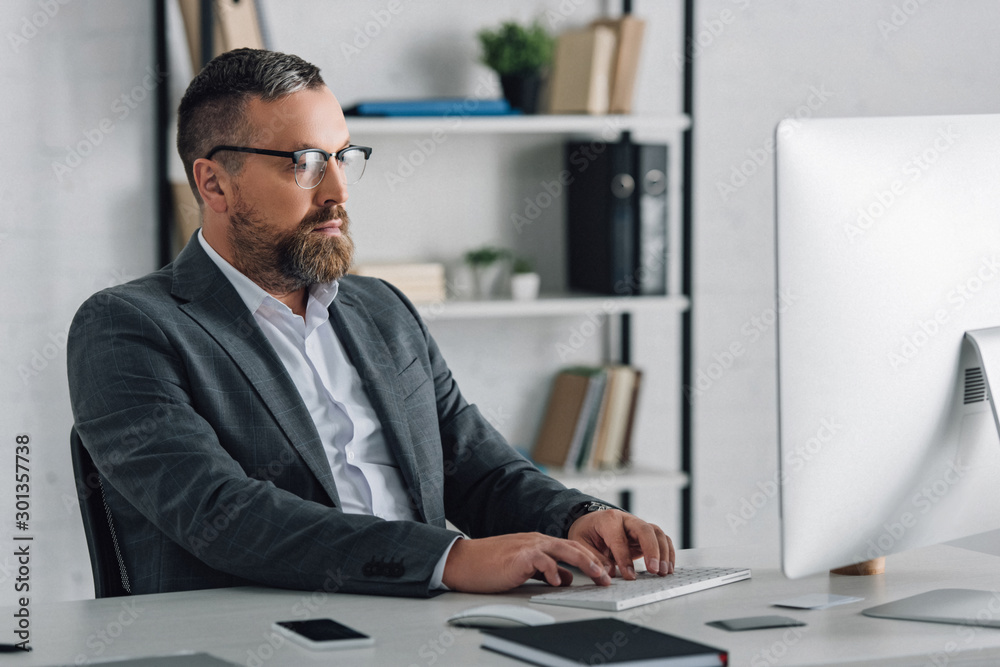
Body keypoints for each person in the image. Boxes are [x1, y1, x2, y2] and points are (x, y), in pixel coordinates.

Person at [67, 48, 674, 597]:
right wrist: (448, 559)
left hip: (434, 623)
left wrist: (576, 517)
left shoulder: (382, 309)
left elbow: (479, 468)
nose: (338, 190)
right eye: (304, 163)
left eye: (343, 158)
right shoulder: (127, 327)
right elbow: (223, 515)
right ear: (214, 184)